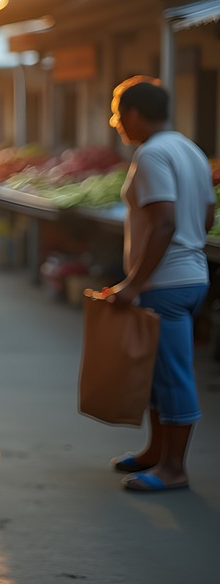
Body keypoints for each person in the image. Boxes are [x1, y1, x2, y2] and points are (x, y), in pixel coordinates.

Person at [104, 76, 214, 493]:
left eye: (117, 114)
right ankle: (155, 452)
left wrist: (134, 283)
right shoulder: (191, 150)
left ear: (133, 113)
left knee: (172, 375)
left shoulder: (151, 154)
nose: (116, 123)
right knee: (155, 371)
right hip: (190, 276)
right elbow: (204, 216)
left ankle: (174, 469)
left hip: (165, 284)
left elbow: (164, 221)